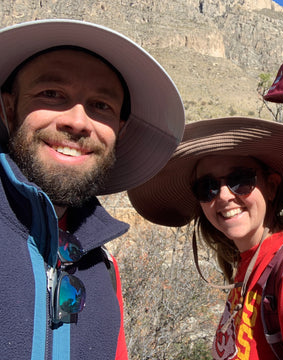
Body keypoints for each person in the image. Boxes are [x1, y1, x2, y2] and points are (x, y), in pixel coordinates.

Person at [0, 19, 185, 359]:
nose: (78, 121)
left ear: (120, 130)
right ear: (9, 108)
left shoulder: (102, 271)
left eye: (102, 105)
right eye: (51, 94)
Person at [127, 116, 283, 360]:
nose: (223, 196)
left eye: (240, 180)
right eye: (207, 186)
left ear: (272, 186)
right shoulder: (255, 263)